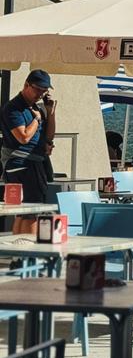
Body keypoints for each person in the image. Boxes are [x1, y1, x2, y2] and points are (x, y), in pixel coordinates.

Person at [1, 69, 56, 234]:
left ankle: (18, 247)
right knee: (32, 211)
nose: (40, 94)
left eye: (44, 91)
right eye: (37, 89)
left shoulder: (35, 108)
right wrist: (37, 119)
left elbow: (49, 136)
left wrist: (50, 113)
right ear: (26, 85)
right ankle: (29, 248)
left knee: (22, 212)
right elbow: (23, 137)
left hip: (31, 162)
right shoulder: (14, 108)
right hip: (22, 164)